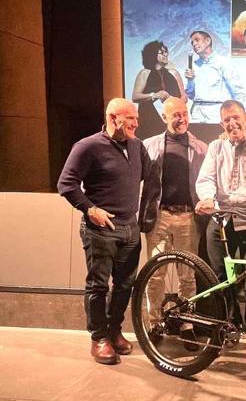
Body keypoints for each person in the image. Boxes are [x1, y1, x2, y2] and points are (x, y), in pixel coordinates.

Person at [57, 98, 158, 365]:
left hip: (130, 229)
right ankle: (99, 338)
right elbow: (66, 184)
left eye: (137, 118)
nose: (137, 123)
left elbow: (151, 177)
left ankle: (115, 331)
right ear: (114, 119)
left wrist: (145, 216)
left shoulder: (137, 146)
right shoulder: (88, 146)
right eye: (131, 119)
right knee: (98, 286)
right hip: (100, 230)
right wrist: (90, 209)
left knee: (125, 285)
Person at [195, 100, 246, 362]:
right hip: (221, 222)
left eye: (236, 118)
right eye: (226, 120)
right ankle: (230, 328)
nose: (232, 124)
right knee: (219, 279)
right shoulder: (216, 147)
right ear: (221, 123)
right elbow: (205, 179)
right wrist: (207, 198)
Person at [139, 97, 208, 351]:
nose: (181, 118)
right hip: (160, 217)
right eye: (175, 115)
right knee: (155, 275)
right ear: (164, 118)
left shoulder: (201, 148)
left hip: (189, 217)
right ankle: (154, 324)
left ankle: (187, 325)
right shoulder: (149, 146)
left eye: (184, 113)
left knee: (187, 276)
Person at [184, 30, 246, 123]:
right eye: (192, 42)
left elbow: (238, 91)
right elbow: (191, 95)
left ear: (208, 41)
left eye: (197, 40)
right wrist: (190, 81)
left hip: (216, 111)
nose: (194, 44)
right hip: (197, 111)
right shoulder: (194, 65)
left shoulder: (223, 62)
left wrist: (239, 115)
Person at [132, 40, 187, 138]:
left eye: (166, 52)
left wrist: (174, 102)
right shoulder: (144, 73)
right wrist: (154, 95)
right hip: (149, 122)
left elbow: (184, 97)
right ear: (153, 54)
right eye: (162, 52)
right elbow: (135, 97)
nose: (165, 54)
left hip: (172, 121)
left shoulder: (174, 73)